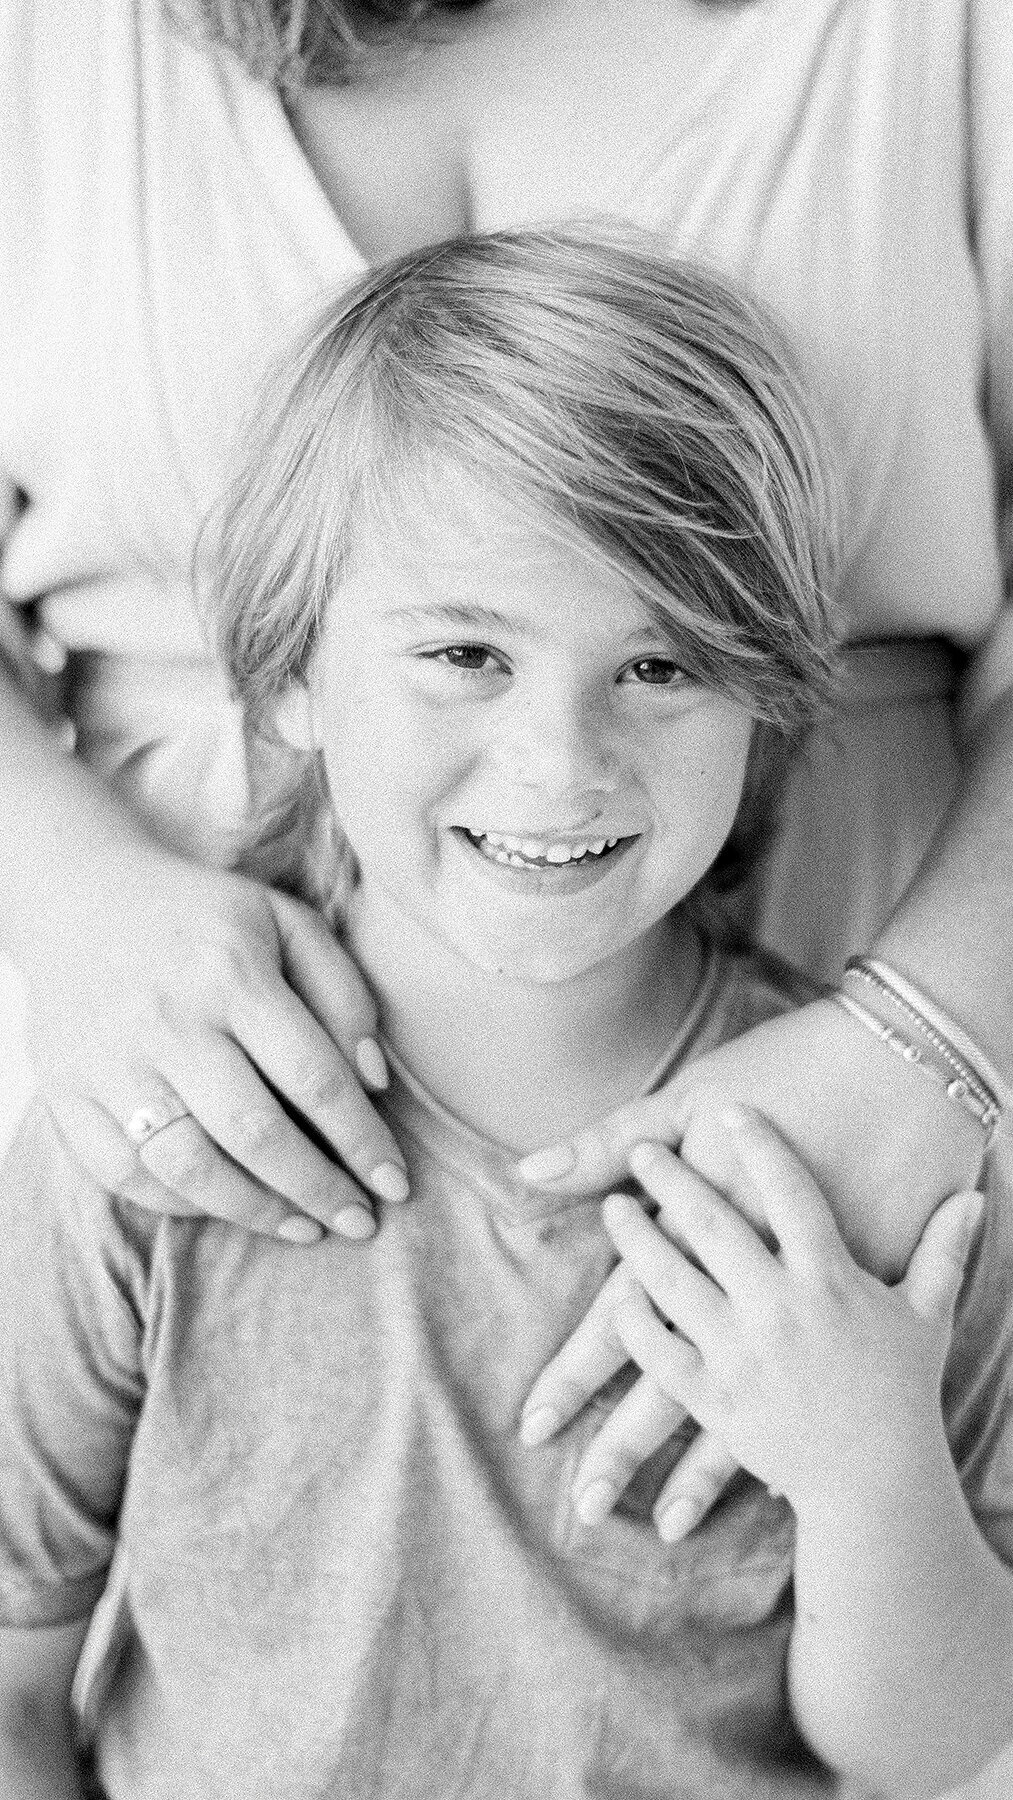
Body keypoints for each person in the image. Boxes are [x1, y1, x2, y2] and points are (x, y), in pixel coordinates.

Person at [2, 0, 1013, 1651]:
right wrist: (67, 897)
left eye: (663, 663)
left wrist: (936, 1037)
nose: (555, 757)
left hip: (886, 1071)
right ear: (287, 683)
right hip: (186, 1085)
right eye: (464, 656)